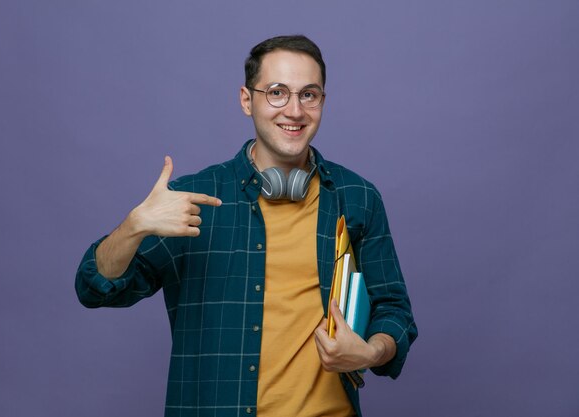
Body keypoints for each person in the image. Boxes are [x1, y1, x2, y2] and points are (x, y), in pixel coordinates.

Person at [75, 34, 417, 417]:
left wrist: (371, 351)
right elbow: (95, 288)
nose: (294, 110)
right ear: (246, 100)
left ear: (322, 102)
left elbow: (394, 311)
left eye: (309, 94)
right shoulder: (193, 199)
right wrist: (133, 226)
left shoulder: (357, 197)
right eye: (276, 92)